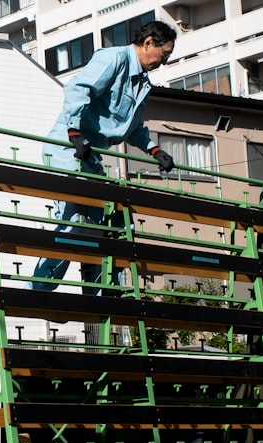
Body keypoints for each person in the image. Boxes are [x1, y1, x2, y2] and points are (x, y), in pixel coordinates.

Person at [30, 21, 178, 293]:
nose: (164, 61)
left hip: (91, 155)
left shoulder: (142, 84)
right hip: (67, 145)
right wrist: (74, 131)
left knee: (106, 223)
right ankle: (38, 290)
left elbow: (133, 128)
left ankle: (99, 297)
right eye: (164, 53)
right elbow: (78, 89)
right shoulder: (113, 59)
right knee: (72, 221)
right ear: (148, 43)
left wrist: (155, 150)